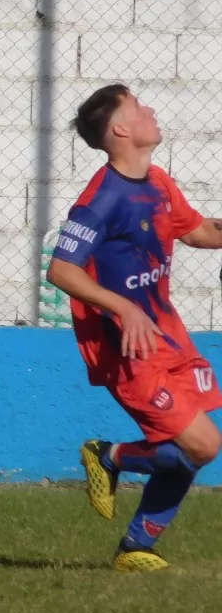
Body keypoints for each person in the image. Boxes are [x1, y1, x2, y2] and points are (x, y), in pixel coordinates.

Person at [47, 84, 222, 573]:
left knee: (196, 447)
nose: (151, 110)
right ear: (121, 129)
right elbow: (61, 270)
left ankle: (135, 548)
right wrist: (123, 308)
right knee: (203, 443)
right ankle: (110, 457)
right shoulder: (100, 201)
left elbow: (197, 231)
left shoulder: (158, 183)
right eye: (139, 107)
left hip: (168, 336)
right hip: (127, 346)